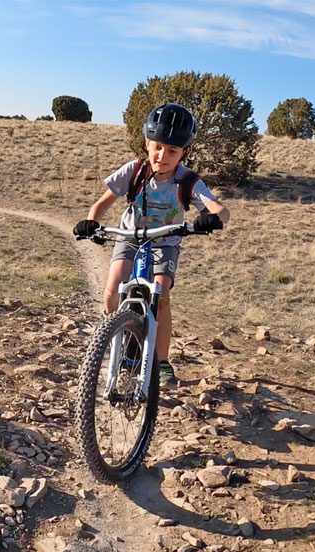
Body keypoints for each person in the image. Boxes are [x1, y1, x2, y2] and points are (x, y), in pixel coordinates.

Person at [73, 103, 230, 387]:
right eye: (157, 147)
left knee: (161, 292)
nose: (162, 156)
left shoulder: (188, 181)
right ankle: (113, 333)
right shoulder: (134, 171)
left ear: (184, 153)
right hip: (130, 236)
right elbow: (102, 202)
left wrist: (213, 218)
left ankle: (161, 359)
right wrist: (91, 222)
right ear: (147, 144)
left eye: (172, 151)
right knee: (114, 285)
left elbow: (219, 208)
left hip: (166, 241)